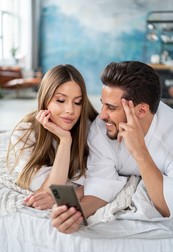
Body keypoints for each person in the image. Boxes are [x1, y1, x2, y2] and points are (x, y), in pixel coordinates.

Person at [51, 61, 173, 234]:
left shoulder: (169, 137)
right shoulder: (101, 129)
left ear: (141, 111)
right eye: (103, 103)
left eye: (111, 107)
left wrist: (139, 152)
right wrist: (77, 214)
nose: (101, 115)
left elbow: (167, 207)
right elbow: (101, 183)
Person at [6, 64, 98, 210]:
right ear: (45, 99)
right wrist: (65, 140)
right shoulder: (24, 133)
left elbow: (103, 179)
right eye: (61, 100)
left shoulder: (91, 129)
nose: (70, 111)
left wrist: (59, 197)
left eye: (77, 102)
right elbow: (48, 190)